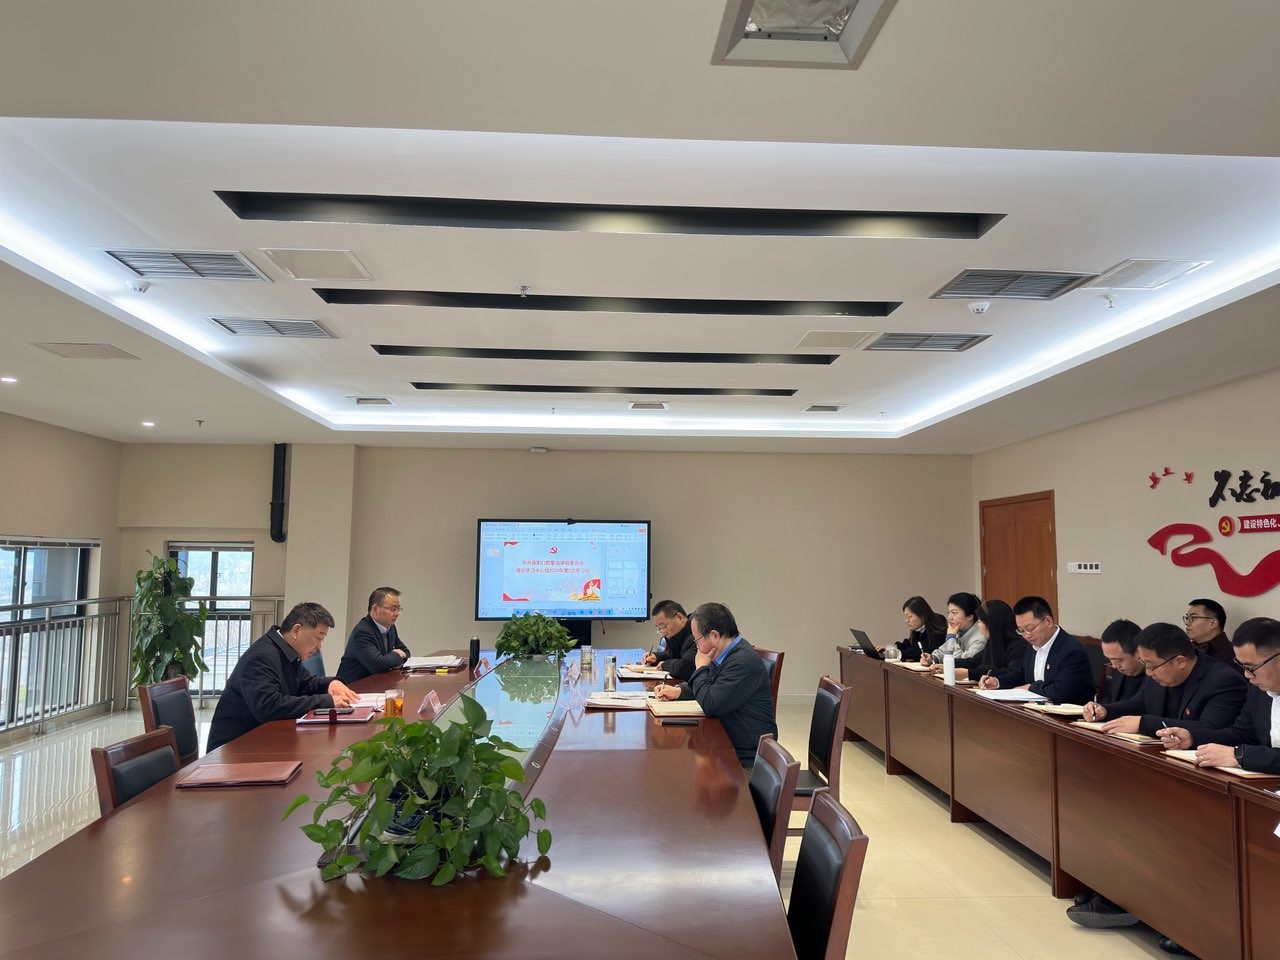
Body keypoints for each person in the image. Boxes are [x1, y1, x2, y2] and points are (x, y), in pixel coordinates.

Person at [207, 601, 359, 752]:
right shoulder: (261, 657)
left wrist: (330, 684)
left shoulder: (286, 651)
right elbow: (269, 707)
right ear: (296, 630)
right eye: (318, 638)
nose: (319, 646)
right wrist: (326, 701)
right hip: (235, 749)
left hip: (263, 740)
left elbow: (305, 683)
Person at [653, 601, 777, 768]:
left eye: (697, 640)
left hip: (746, 759)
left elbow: (711, 704)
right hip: (727, 745)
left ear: (714, 636)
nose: (696, 646)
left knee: (680, 770)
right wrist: (679, 691)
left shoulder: (742, 662)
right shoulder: (725, 654)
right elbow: (711, 683)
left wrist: (701, 668)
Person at [1159, 616, 1280, 776]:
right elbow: (1243, 734)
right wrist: (1192, 737)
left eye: (1250, 667)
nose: (1246, 675)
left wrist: (1239, 756)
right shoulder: (1259, 691)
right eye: (1242, 666)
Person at [1080, 621, 1246, 736]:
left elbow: (1208, 728)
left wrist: (1143, 724)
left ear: (1180, 661)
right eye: (1144, 664)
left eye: (1152, 666)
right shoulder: (1157, 671)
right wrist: (1105, 710)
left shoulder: (1223, 681)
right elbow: (1139, 703)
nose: (1148, 673)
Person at [977, 596, 1094, 704]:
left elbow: (1062, 692)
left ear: (1048, 621)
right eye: (1021, 630)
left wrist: (1031, 688)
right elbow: (1021, 673)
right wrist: (998, 681)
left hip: (1066, 715)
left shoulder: (1071, 650)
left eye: (1030, 628)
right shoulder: (1032, 645)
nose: (1026, 635)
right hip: (1035, 710)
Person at [337, 587, 411, 684]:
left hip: (377, 684)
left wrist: (391, 659)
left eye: (398, 609)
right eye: (392, 609)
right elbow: (378, 665)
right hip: (353, 687)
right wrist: (396, 655)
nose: (397, 613)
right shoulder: (362, 633)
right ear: (375, 609)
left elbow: (406, 652)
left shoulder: (390, 628)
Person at [948, 599, 1028, 681]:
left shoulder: (1018, 646)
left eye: (980, 621)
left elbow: (1012, 674)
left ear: (992, 623)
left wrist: (970, 673)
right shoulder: (992, 642)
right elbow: (975, 662)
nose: (978, 625)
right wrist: (949, 664)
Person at [923, 592, 985, 664]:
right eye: (948, 612)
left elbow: (962, 662)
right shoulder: (959, 630)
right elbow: (944, 651)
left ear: (970, 616)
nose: (949, 617)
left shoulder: (980, 637)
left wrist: (951, 638)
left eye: (954, 613)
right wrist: (932, 658)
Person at [642, 599, 697, 681]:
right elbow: (673, 654)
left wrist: (665, 664)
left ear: (679, 617)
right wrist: (656, 657)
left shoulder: (697, 633)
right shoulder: (677, 634)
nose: (662, 632)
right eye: (659, 628)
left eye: (664, 627)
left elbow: (685, 667)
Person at [1184, 597, 1240, 674]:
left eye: (1193, 617)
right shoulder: (1186, 650)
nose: (1186, 623)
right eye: (1187, 618)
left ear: (1213, 623)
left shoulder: (1234, 655)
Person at [1098, 619, 1146, 703]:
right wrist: (1097, 707)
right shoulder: (1119, 669)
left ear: (1138, 652)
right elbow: (1110, 698)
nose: (1114, 666)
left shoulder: (1156, 677)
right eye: (1109, 659)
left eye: (1118, 660)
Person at [885, 596, 947, 661]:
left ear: (922, 615)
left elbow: (922, 652)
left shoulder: (939, 632)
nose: (906, 620)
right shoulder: (918, 630)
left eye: (909, 617)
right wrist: (891, 648)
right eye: (905, 617)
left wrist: (898, 653)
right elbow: (909, 644)